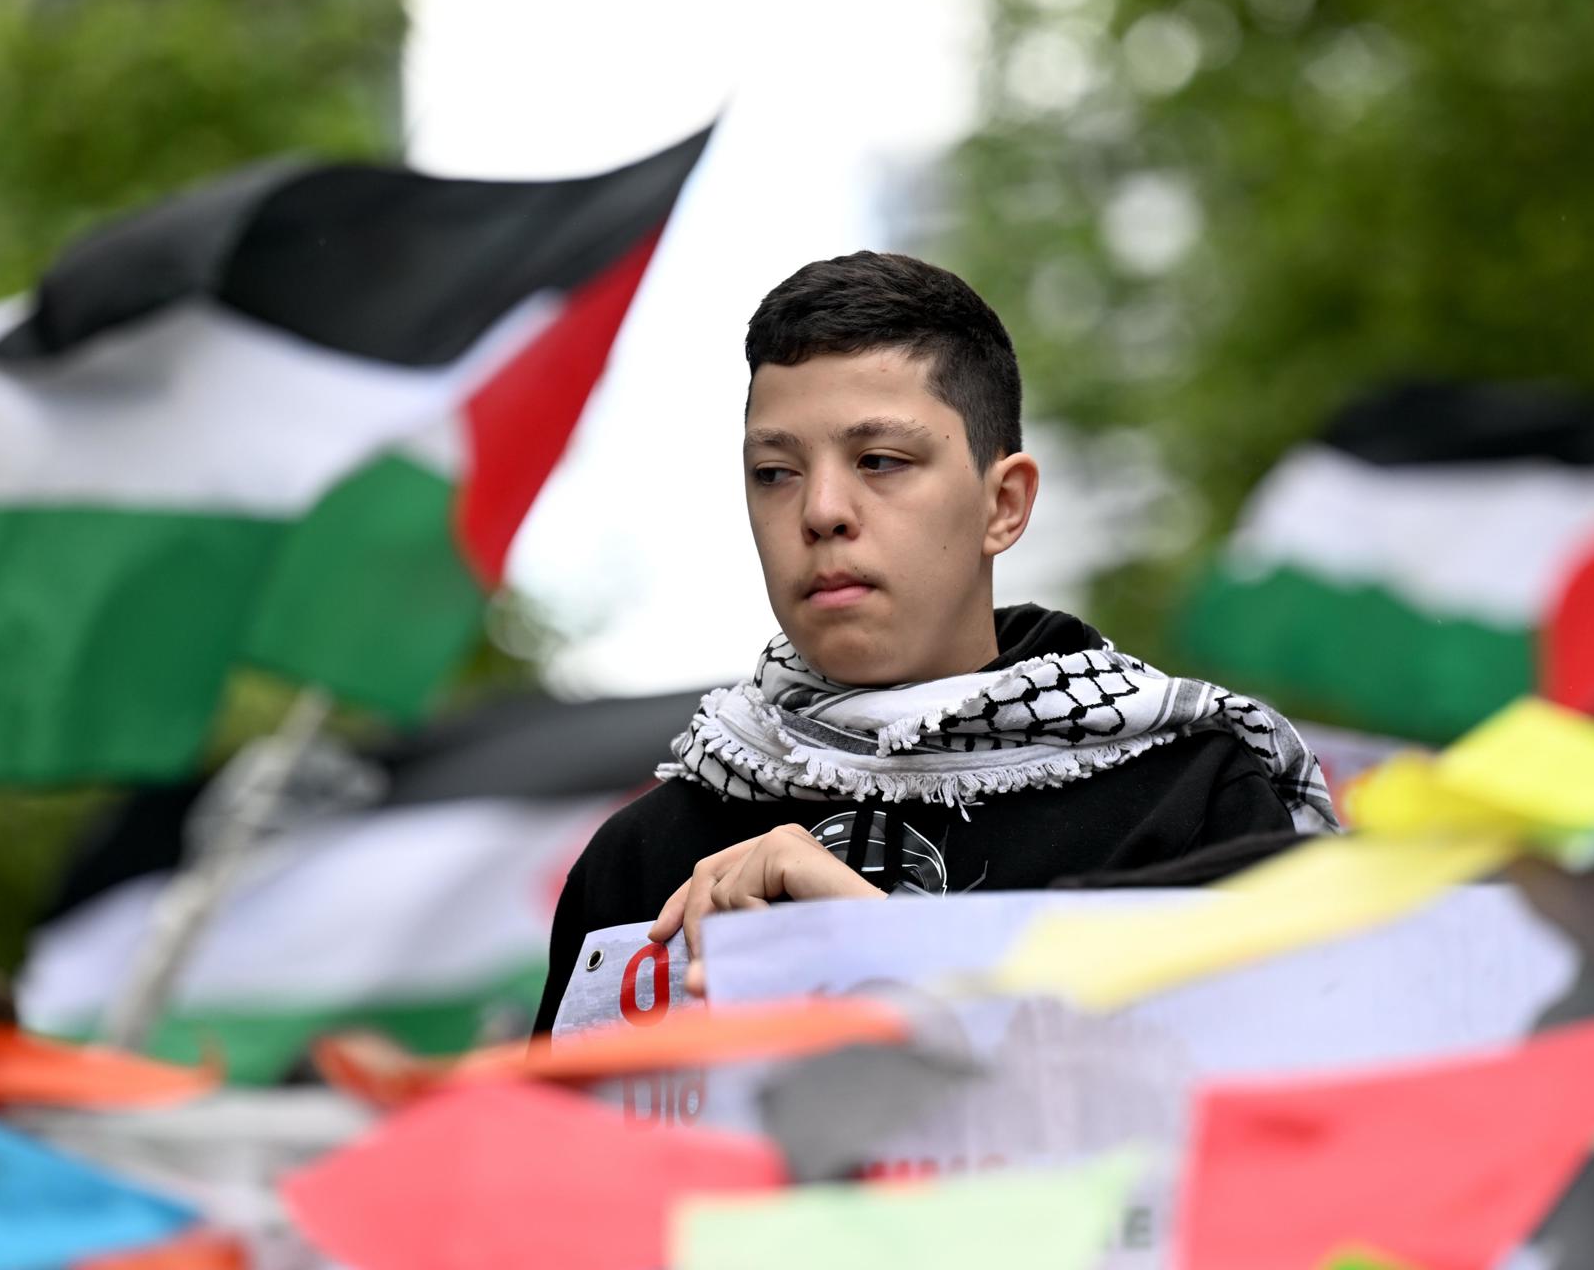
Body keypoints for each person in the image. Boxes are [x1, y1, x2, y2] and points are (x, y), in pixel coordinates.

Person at [532, 252, 1337, 1027]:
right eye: (775, 471)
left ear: (1004, 505)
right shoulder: (639, 862)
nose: (820, 511)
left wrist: (888, 955)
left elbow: (1274, 1127)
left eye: (879, 460)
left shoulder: (1187, 798)